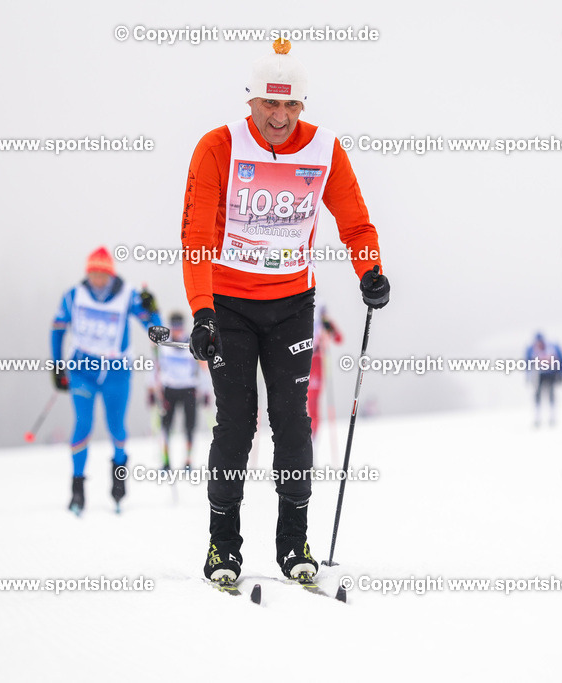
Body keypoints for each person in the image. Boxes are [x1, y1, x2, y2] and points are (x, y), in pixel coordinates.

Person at [179, 39, 389, 583]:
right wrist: (201, 310)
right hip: (228, 305)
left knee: (293, 422)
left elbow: (355, 223)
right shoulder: (217, 148)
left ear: (302, 106)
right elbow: (196, 236)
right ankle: (223, 546)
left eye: (289, 106)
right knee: (237, 424)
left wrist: (370, 270)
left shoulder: (324, 151)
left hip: (292, 303)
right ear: (251, 102)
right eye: (268, 105)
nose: (278, 117)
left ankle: (294, 545)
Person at [51, 246, 161, 514]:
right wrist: (57, 365)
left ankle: (119, 480)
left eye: (102, 274)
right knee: (83, 425)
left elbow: (155, 328)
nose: (97, 280)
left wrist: (152, 307)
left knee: (116, 428)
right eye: (92, 273)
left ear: (111, 274)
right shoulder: (74, 296)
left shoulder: (128, 295)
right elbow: (57, 329)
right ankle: (77, 490)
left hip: (116, 371)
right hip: (82, 370)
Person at [150, 312, 212, 471]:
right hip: (169, 390)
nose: (177, 330)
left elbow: (203, 368)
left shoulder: (191, 343)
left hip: (189, 389)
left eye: (179, 326)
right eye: (174, 327)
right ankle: (166, 462)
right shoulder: (164, 346)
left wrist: (205, 392)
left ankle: (188, 461)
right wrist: (151, 389)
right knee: (166, 427)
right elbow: (155, 368)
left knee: (189, 427)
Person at [307, 306, 343, 440]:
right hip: (299, 362)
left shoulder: (323, 321)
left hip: (316, 362)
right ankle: (302, 438)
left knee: (313, 402)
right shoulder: (300, 317)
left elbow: (339, 338)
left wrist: (329, 327)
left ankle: (313, 437)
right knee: (295, 403)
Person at [525, 332, 562, 427]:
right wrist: (528, 375)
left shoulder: (551, 348)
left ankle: (552, 416)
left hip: (551, 374)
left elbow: (561, 360)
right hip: (539, 375)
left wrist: (561, 373)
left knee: (551, 394)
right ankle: (537, 417)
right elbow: (528, 363)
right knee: (538, 395)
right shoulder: (532, 349)